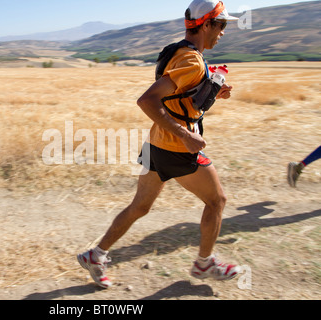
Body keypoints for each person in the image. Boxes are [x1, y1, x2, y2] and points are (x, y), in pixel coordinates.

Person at [77, 0, 240, 289]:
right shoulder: (191, 60)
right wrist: (186, 135)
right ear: (207, 25)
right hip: (176, 149)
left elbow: (177, 101)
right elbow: (148, 100)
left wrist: (212, 94)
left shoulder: (180, 52)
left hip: (157, 144)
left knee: (140, 207)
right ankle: (204, 264)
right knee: (217, 201)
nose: (223, 32)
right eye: (222, 25)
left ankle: (96, 254)